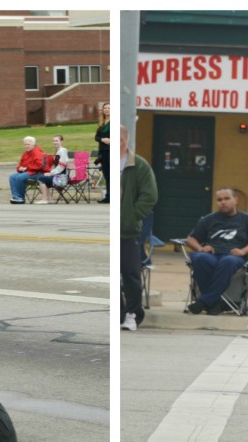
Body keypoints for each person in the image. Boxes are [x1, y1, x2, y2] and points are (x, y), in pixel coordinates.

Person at [185, 188, 248, 315]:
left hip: (233, 255)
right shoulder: (208, 219)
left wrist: (243, 251)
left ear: (235, 200)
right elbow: (191, 239)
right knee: (200, 258)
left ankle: (204, 301)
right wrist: (201, 248)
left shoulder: (246, 219)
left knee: (228, 261)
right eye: (219, 200)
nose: (223, 202)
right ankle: (213, 303)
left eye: (227, 199)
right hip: (212, 254)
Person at [119, 124, 158, 333]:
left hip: (127, 231)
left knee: (131, 274)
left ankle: (133, 313)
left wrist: (131, 216)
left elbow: (150, 195)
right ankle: (119, 312)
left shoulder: (139, 165)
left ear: (124, 141)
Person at [8, 136, 46, 204]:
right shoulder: (25, 153)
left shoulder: (37, 152)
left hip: (37, 173)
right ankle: (16, 196)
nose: (26, 146)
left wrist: (26, 168)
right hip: (27, 172)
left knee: (20, 177)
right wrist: (19, 168)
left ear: (33, 144)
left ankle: (20, 197)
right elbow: (20, 164)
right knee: (12, 177)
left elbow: (39, 166)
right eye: (25, 144)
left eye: (28, 144)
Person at [34, 133, 70, 204]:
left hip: (61, 179)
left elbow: (61, 167)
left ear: (61, 142)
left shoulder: (62, 151)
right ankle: (50, 199)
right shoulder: (58, 151)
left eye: (57, 141)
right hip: (58, 176)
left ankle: (44, 199)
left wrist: (51, 173)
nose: (55, 142)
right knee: (44, 176)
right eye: (54, 141)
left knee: (41, 178)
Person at [94, 101, 111, 201]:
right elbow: (96, 137)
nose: (107, 110)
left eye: (109, 108)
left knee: (111, 174)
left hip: (110, 151)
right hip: (102, 151)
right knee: (106, 174)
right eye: (105, 108)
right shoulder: (101, 123)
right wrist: (102, 139)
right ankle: (108, 196)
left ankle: (111, 196)